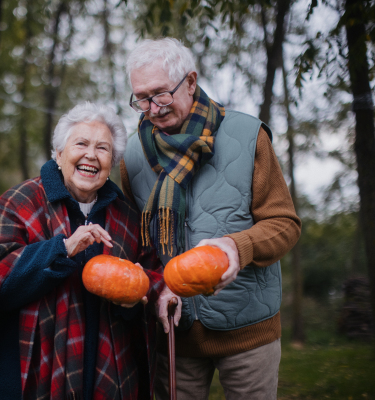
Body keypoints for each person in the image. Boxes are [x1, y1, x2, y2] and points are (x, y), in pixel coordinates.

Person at [120, 38, 302, 400]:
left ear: (190, 82)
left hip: (248, 330)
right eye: (141, 97)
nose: (152, 108)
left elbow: (285, 225)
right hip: (174, 333)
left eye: (160, 94)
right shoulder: (132, 155)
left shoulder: (248, 135)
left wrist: (237, 246)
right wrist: (158, 285)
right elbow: (138, 243)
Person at [0, 102, 165, 400]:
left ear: (111, 162)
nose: (91, 155)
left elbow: (146, 284)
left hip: (106, 374)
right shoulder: (17, 203)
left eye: (103, 148)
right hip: (25, 373)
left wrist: (132, 303)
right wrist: (62, 249)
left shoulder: (128, 218)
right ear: (59, 154)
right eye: (81, 143)